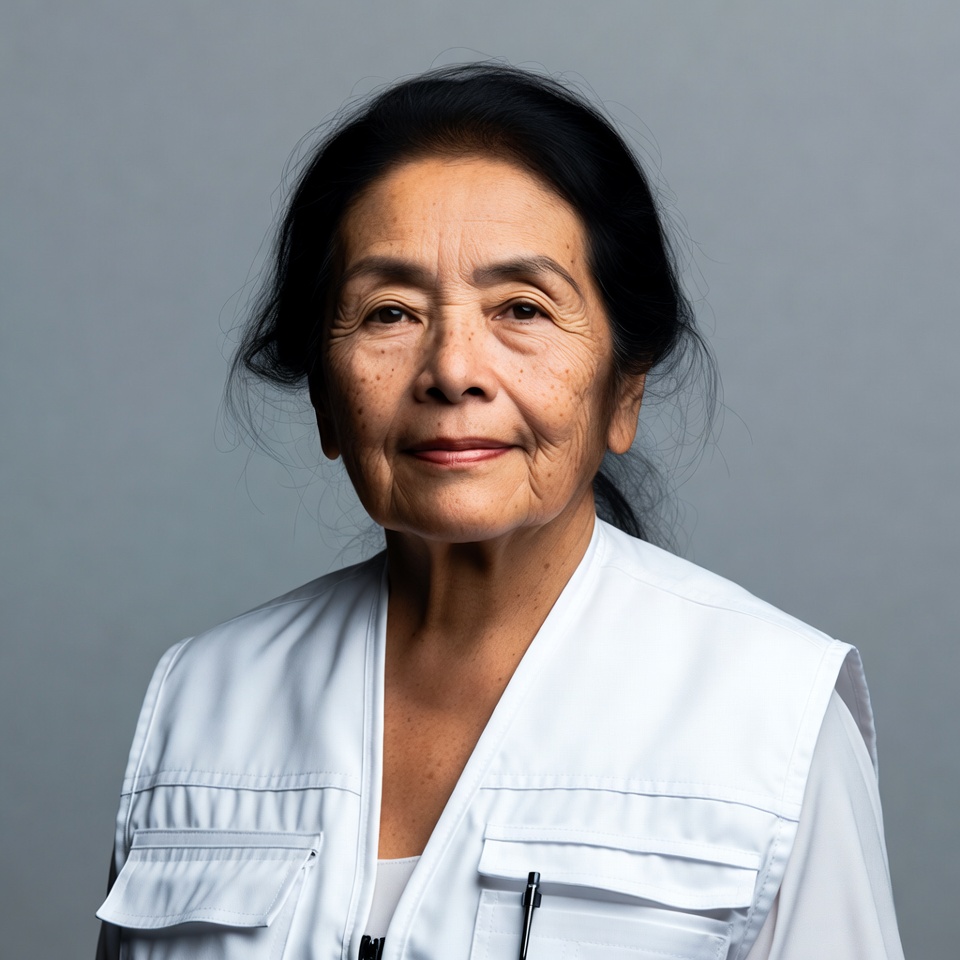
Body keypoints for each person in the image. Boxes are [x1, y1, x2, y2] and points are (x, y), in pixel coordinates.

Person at [96, 64, 904, 959]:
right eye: (389, 312)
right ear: (326, 400)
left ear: (623, 392)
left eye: (521, 307)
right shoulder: (202, 699)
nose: (452, 370)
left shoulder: (775, 721)